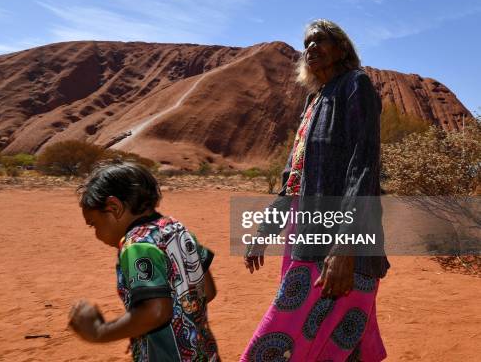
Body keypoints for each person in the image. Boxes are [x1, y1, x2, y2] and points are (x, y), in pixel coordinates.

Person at [241, 19, 390, 361]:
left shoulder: (356, 85)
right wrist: (265, 230)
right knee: (337, 342)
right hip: (304, 231)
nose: (311, 48)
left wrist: (345, 248)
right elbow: (293, 177)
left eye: (320, 40)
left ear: (341, 48)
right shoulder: (314, 101)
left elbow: (363, 166)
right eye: (306, 43)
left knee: (280, 340)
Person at [68, 160, 220, 362]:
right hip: (204, 354)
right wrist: (141, 335)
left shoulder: (136, 246)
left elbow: (156, 311)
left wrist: (99, 331)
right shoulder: (176, 229)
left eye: (94, 224)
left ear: (114, 207)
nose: (96, 234)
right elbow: (207, 291)